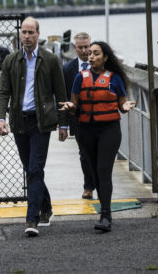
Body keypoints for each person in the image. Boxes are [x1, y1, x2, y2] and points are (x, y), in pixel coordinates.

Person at [0, 17, 68, 237]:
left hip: (42, 121)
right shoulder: (10, 60)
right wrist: (1, 119)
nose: (26, 36)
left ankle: (32, 219)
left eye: (30, 32)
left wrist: (63, 123)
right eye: (23, 32)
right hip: (19, 121)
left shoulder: (50, 60)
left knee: (35, 169)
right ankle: (46, 207)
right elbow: (3, 92)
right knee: (30, 169)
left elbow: (61, 93)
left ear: (38, 34)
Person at [59, 41, 135, 233]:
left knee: (103, 170)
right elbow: (75, 106)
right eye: (90, 53)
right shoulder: (79, 78)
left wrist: (125, 108)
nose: (91, 57)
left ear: (105, 57)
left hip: (109, 130)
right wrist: (70, 107)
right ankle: (104, 212)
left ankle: (106, 215)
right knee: (93, 171)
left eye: (96, 53)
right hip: (86, 130)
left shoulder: (115, 78)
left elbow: (122, 104)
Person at [62, 32, 95, 200]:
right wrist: (64, 125)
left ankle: (100, 183)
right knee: (84, 154)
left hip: (99, 117)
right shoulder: (68, 69)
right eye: (80, 47)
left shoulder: (100, 66)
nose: (84, 51)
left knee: (100, 154)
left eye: (87, 47)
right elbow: (64, 96)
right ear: (75, 48)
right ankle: (88, 186)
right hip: (79, 120)